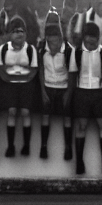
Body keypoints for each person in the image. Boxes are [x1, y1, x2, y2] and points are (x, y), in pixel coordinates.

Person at [66, 21, 102, 176]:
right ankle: (79, 162)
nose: (92, 43)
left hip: (99, 92)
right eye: (89, 40)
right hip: (82, 92)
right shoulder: (77, 53)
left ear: (98, 38)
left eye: (95, 40)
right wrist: (70, 95)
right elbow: (72, 74)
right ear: (84, 38)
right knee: (81, 126)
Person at [0, 17, 39, 158]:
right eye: (15, 31)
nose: (19, 34)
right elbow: (0, 69)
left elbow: (33, 70)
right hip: (9, 86)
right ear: (9, 34)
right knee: (12, 112)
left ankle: (26, 146)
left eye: (22, 31)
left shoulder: (31, 49)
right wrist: (10, 79)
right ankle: (10, 146)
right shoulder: (2, 50)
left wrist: (22, 78)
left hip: (27, 86)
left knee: (26, 112)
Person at [39, 22, 72, 162]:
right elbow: (40, 70)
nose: (53, 45)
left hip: (64, 88)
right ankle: (44, 146)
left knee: (67, 117)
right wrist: (43, 92)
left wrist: (68, 93)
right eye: (50, 42)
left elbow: (72, 73)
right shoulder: (41, 50)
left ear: (60, 38)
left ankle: (68, 147)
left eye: (55, 41)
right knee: (45, 115)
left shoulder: (69, 51)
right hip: (48, 87)